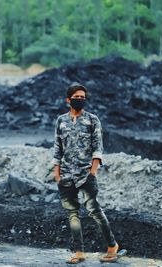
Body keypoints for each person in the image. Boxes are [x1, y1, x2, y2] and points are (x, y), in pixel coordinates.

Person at [52, 82, 119, 264]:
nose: (80, 100)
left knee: (94, 211)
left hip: (85, 174)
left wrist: (93, 172)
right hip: (65, 175)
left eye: (82, 97)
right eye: (76, 97)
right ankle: (79, 252)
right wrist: (57, 174)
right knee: (72, 214)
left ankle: (112, 246)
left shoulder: (92, 120)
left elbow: (98, 147)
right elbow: (57, 149)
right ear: (68, 100)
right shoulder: (61, 121)